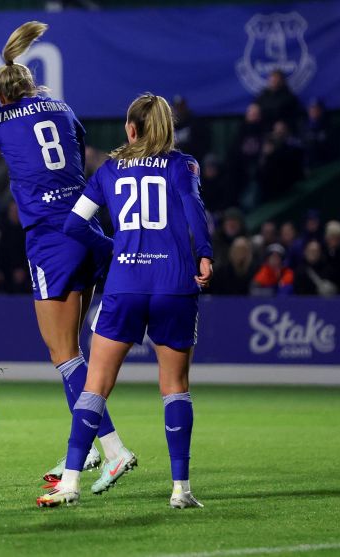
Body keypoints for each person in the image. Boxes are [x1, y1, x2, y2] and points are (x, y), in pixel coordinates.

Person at [0, 22, 135, 490]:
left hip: (50, 236)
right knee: (75, 351)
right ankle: (80, 453)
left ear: (2, 96)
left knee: (63, 355)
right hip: (87, 226)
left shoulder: (0, 120)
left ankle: (114, 449)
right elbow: (79, 151)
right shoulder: (63, 109)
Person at [38, 93, 213, 509]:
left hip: (126, 281)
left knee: (96, 385)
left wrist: (113, 248)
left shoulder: (108, 169)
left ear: (130, 130)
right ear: (167, 128)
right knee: (175, 387)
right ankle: (180, 490)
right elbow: (194, 210)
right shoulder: (183, 165)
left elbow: (74, 224)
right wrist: (204, 254)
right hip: (174, 281)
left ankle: (71, 483)